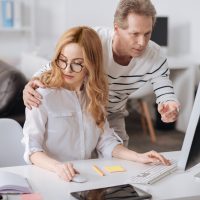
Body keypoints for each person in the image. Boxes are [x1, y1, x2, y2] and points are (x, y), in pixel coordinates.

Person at [22, 26, 170, 181]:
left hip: (85, 176)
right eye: (63, 60)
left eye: (78, 63)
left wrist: (138, 157)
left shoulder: (94, 94)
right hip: (49, 176)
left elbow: (105, 142)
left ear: (91, 64)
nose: (67, 69)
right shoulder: (41, 95)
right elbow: (32, 149)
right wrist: (58, 167)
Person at [23, 0, 180, 147]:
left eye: (147, 33)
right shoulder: (94, 40)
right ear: (117, 29)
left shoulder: (155, 56)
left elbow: (164, 86)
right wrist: (31, 84)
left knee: (120, 160)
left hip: (112, 113)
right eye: (135, 34)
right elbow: (59, 63)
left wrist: (169, 103)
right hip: (83, 109)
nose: (142, 42)